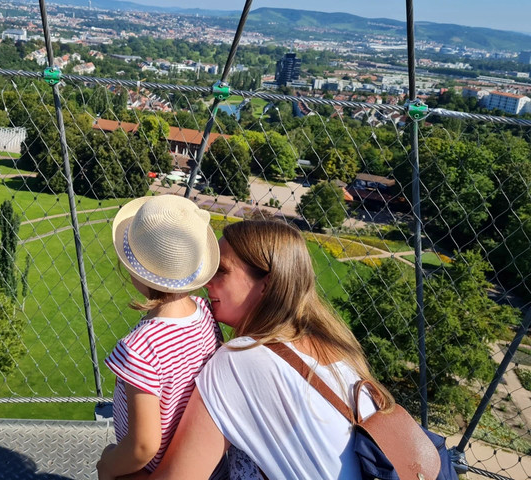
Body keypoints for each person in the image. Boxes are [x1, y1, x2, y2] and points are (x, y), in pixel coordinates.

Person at [141, 219, 395, 480]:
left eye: (221, 270)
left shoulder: (241, 359)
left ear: (266, 284)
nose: (207, 282)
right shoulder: (332, 345)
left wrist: (111, 469)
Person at [96, 195, 222, 480]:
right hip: (194, 463)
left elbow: (143, 445)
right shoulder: (204, 313)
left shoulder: (139, 349)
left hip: (146, 470)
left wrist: (108, 466)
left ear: (136, 272)